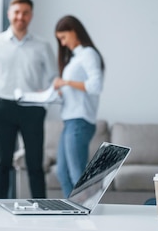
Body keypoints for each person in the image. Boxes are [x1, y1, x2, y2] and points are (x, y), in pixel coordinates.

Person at [0, 0, 56, 199]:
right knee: (2, 164)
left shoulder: (42, 46)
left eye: (25, 13)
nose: (20, 17)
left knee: (35, 164)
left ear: (31, 16)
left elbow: (53, 79)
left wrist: (44, 104)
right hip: (3, 108)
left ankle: (42, 209)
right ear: (9, 14)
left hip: (33, 109)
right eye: (16, 12)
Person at [52, 15, 105, 197]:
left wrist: (66, 82)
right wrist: (62, 90)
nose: (63, 43)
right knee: (62, 172)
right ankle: (73, 211)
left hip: (80, 121)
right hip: (69, 121)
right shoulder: (75, 58)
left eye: (64, 37)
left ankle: (86, 216)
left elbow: (95, 86)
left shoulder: (88, 54)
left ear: (74, 31)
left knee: (77, 175)